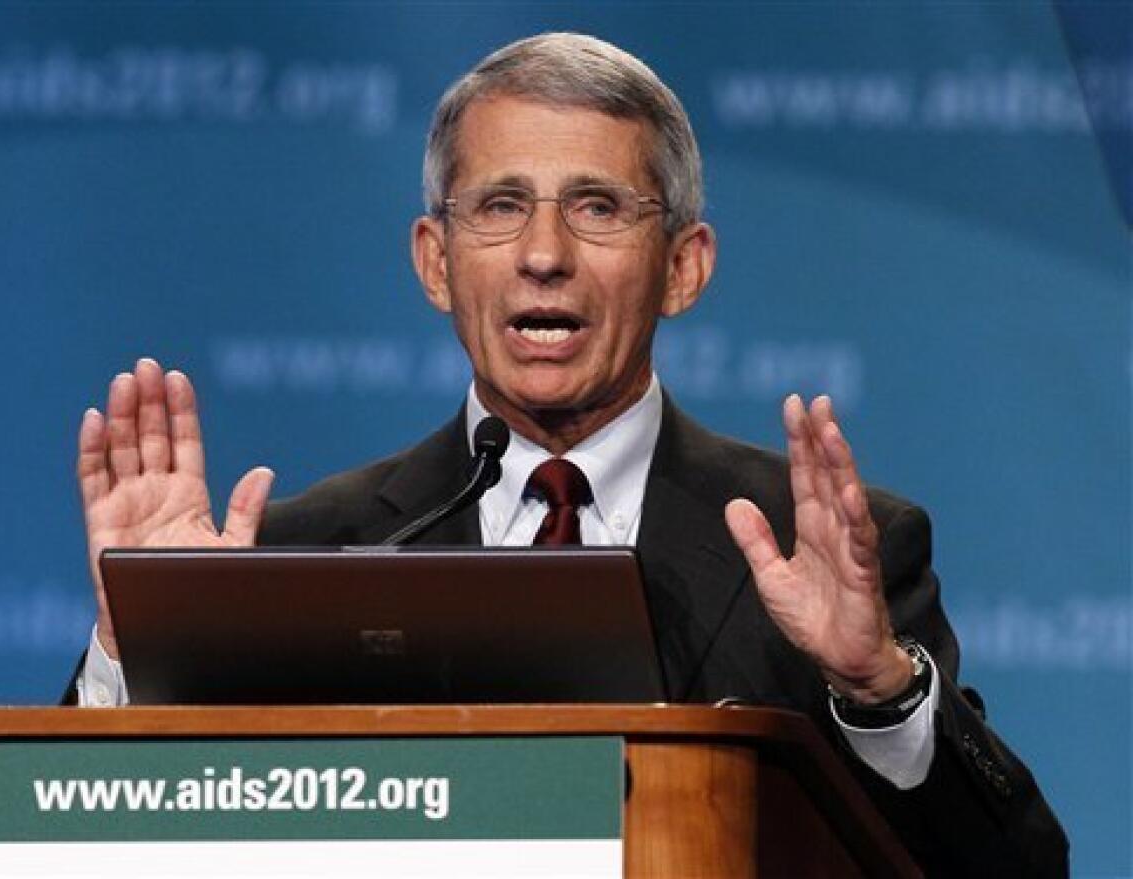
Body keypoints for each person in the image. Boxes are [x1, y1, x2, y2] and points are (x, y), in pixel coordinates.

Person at [68, 33, 1067, 875]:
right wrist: (131, 658)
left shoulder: (831, 549)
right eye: (500, 207)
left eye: (597, 208)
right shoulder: (307, 556)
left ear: (683, 267)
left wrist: (877, 691)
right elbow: (97, 854)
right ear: (434, 260)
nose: (544, 252)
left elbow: (1017, 869)